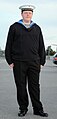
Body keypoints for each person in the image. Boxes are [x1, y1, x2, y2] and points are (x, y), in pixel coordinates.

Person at [5, 5, 48, 117]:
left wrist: (42, 61)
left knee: (34, 87)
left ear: (32, 14)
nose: (28, 14)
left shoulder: (37, 28)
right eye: (25, 13)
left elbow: (41, 45)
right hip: (19, 62)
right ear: (21, 14)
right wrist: (9, 60)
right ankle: (23, 108)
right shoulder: (14, 27)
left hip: (34, 62)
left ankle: (38, 109)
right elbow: (8, 45)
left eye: (30, 13)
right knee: (21, 86)